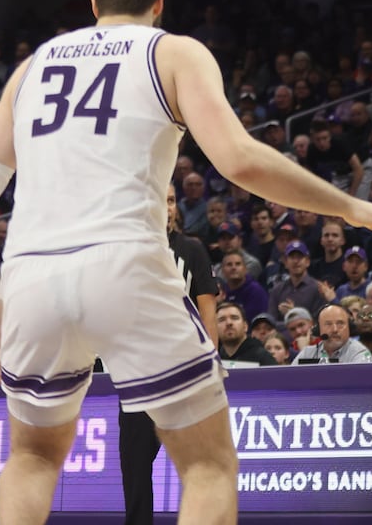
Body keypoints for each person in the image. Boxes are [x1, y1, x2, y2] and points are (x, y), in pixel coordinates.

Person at [0, 0, 372, 525]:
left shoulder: (33, 68)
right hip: (125, 265)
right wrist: (350, 205)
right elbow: (241, 160)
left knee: (32, 459)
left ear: (91, 3)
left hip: (32, 276)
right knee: (207, 467)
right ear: (160, 0)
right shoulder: (172, 51)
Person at [121, 182, 223, 525]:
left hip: (184, 372)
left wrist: (209, 369)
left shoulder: (192, 250)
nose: (166, 207)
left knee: (198, 466)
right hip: (138, 375)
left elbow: (208, 313)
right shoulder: (127, 252)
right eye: (157, 200)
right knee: (135, 467)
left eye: (170, 200)